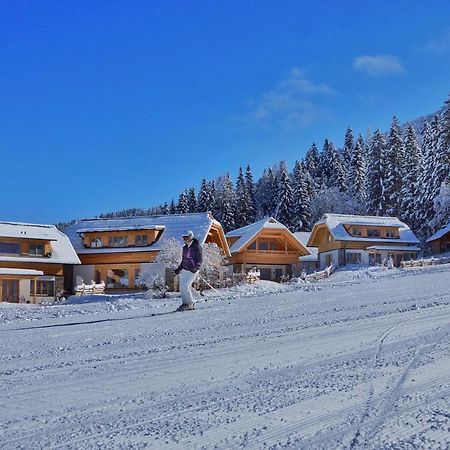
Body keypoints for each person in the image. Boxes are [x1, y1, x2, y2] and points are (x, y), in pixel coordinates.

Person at [173, 230, 203, 311]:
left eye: (186, 237)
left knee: (185, 285)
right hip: (185, 269)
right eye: (183, 238)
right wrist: (179, 269)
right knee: (182, 287)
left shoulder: (196, 246)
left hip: (193, 270)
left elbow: (199, 260)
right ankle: (185, 303)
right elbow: (183, 260)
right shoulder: (185, 248)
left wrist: (195, 268)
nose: (184, 239)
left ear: (191, 237)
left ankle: (190, 303)